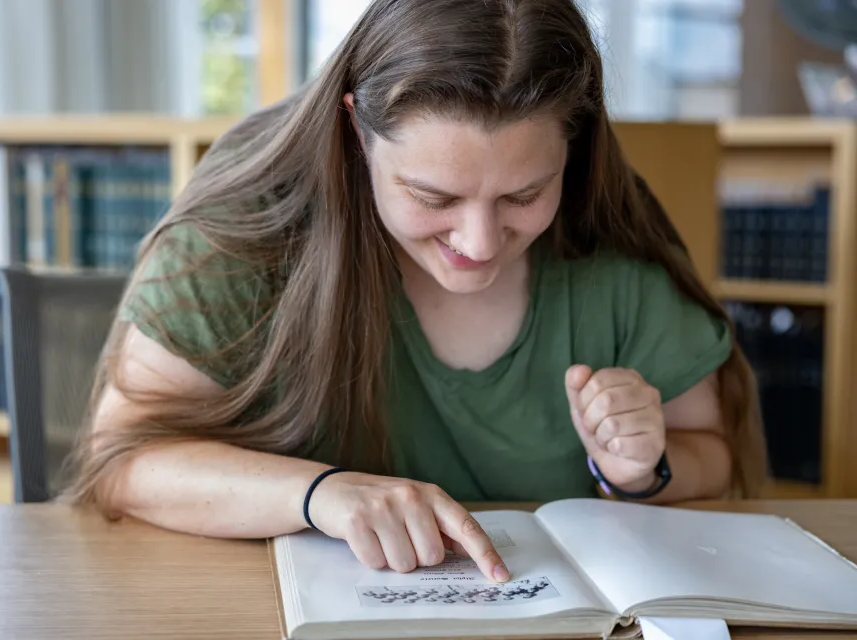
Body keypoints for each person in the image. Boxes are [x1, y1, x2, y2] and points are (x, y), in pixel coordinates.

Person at [65, 0, 767, 584]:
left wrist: (642, 470)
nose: (481, 241)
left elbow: (712, 451)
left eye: (524, 193)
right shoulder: (248, 230)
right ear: (354, 131)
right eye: (432, 195)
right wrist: (318, 495)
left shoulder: (610, 241)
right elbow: (122, 461)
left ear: (573, 149)